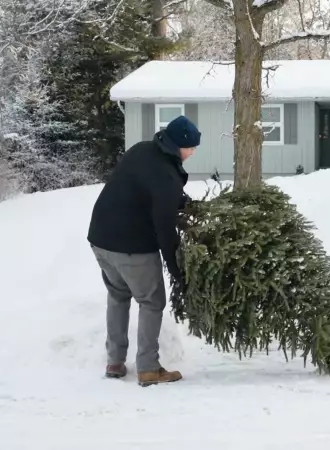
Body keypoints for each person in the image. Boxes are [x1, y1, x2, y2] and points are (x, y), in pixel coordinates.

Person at [87, 115, 200, 387]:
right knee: (151, 302)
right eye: (192, 147)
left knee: (118, 295)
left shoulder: (141, 149)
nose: (193, 152)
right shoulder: (167, 175)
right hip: (131, 246)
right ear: (179, 146)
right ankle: (148, 368)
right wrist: (176, 269)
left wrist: (181, 201)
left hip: (100, 238)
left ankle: (115, 362)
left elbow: (141, 187)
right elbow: (164, 228)